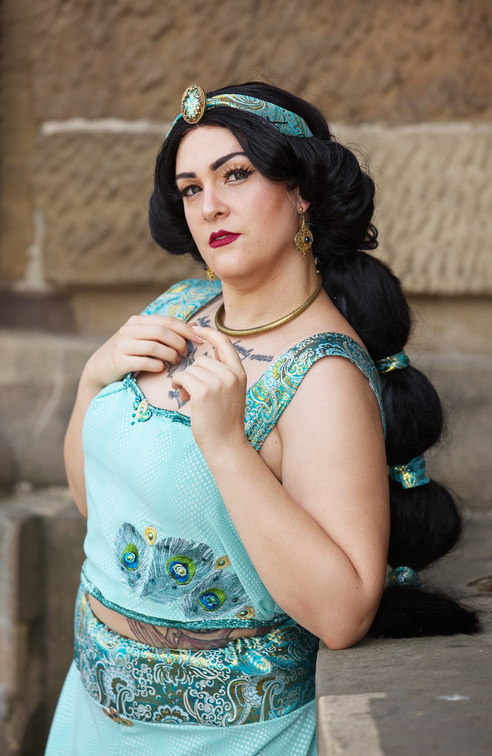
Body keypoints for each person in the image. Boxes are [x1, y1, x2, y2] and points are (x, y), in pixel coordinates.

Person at [45, 82, 479, 756]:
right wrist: (91, 382)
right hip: (87, 715)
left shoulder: (323, 375)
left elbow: (343, 612)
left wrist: (226, 446)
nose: (209, 206)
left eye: (236, 175)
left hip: (229, 737)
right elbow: (91, 502)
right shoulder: (177, 308)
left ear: (302, 190)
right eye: (190, 188)